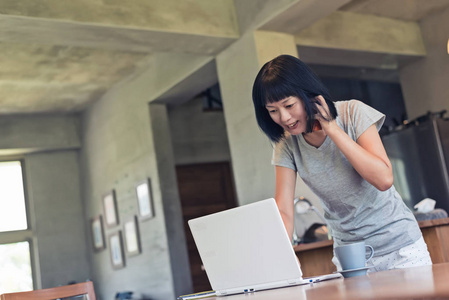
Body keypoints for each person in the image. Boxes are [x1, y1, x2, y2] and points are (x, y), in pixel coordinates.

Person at [251, 54, 432, 272]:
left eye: (289, 105)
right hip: (351, 256)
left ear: (308, 95)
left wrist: (332, 129)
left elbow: (383, 179)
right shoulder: (287, 144)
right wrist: (285, 252)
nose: (285, 118)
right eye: (272, 111)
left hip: (400, 248)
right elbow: (284, 209)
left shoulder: (352, 113)